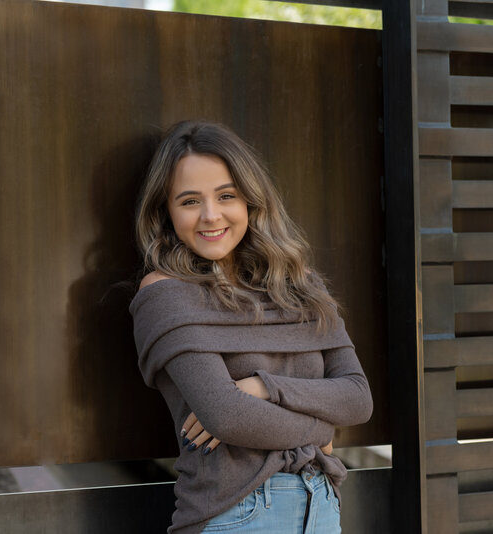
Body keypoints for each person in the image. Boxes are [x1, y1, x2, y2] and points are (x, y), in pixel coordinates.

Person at [130, 120, 373, 534]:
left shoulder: (301, 285)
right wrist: (320, 431)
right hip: (239, 513)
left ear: (251, 201)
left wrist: (264, 386)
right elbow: (228, 417)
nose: (211, 215)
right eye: (189, 201)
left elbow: (357, 398)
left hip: (323, 504)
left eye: (226, 195)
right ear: (166, 213)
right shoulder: (167, 293)